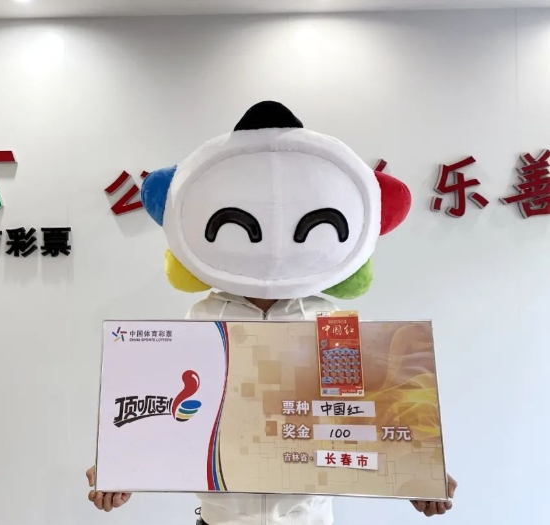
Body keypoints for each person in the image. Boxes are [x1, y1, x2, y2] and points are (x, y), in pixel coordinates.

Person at [87, 101, 457, 523]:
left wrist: (422, 472)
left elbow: (371, 419)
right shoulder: (201, 322)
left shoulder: (334, 327)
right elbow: (162, 410)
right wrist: (118, 466)